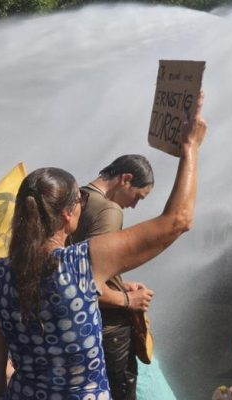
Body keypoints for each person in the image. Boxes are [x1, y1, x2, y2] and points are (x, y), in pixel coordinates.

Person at [0, 93, 208, 399]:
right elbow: (177, 221)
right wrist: (190, 148)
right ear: (67, 214)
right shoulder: (81, 264)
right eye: (78, 201)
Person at [70, 154, 156, 400]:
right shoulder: (109, 210)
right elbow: (85, 281)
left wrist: (120, 284)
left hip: (78, 328)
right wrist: (129, 300)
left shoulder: (75, 198)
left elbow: (80, 267)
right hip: (109, 331)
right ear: (126, 179)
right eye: (138, 196)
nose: (134, 206)